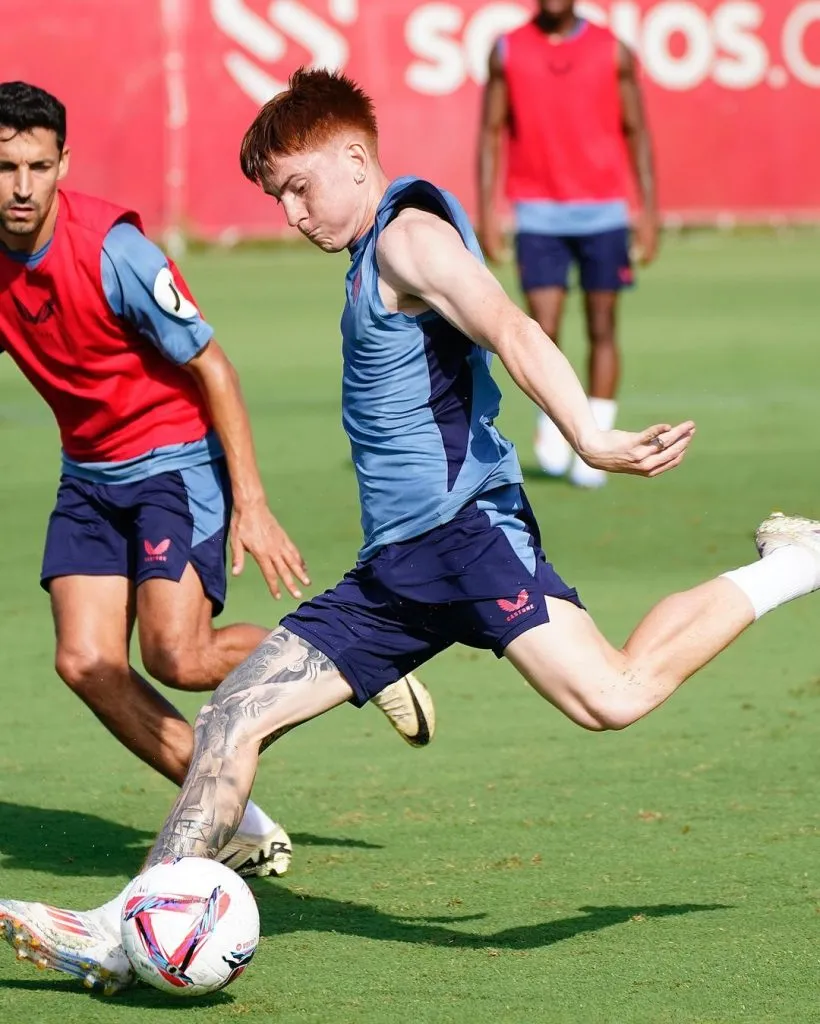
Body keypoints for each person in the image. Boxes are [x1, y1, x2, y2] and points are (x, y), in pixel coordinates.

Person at [1, 68, 817, 996]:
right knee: (234, 711)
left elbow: (506, 321)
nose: (295, 214)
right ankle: (134, 919)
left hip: (470, 539)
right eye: (279, 200)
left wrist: (588, 432)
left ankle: (794, 563)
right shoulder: (364, 258)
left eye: (301, 187)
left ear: (356, 158)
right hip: (395, 570)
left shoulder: (408, 237)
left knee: (613, 696)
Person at [0, 81, 435, 882]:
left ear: (64, 162)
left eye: (36, 165)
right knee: (85, 662)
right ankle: (245, 820)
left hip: (172, 463)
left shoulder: (115, 251)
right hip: (87, 475)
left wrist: (253, 506)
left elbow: (215, 367)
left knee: (178, 653)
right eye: (3, 167)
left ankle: (364, 659)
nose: (21, 187)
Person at [478, 0, 658, 488]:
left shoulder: (612, 49)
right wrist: (488, 213)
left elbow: (637, 130)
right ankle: (557, 423)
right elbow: (490, 133)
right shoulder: (508, 50)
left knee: (602, 325)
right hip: (538, 213)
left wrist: (648, 211)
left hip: (603, 212)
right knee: (544, 326)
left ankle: (597, 436)